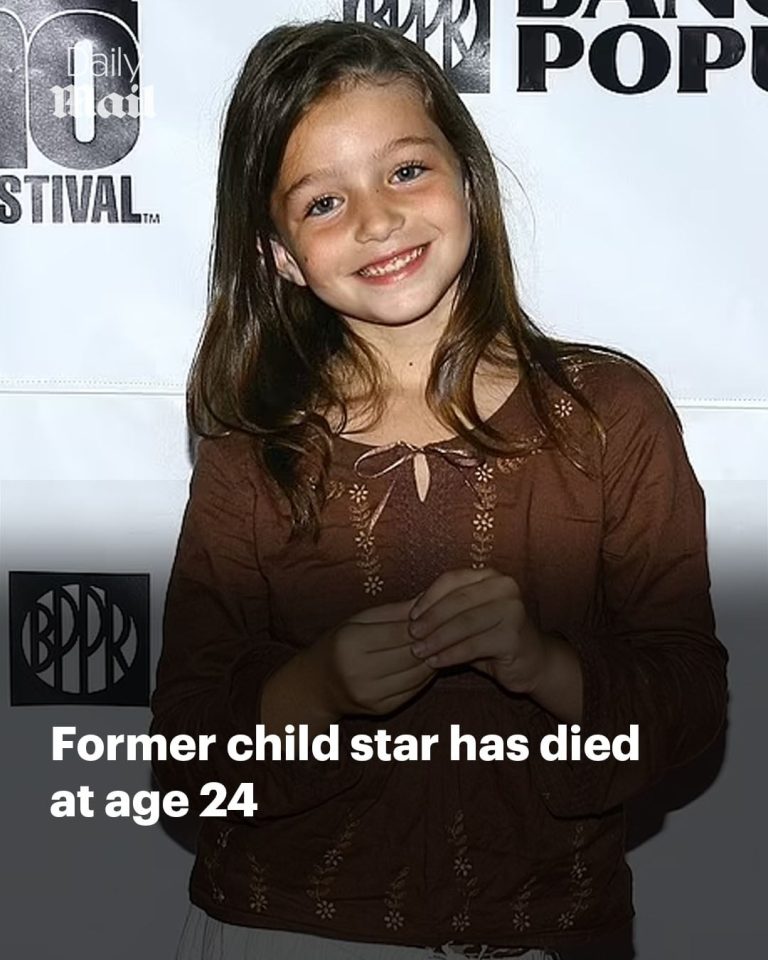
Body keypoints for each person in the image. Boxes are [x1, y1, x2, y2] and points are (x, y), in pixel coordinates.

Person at [149, 18, 728, 960]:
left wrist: (542, 665)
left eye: (406, 170)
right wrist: (317, 687)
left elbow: (688, 700)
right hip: (282, 926)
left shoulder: (610, 415)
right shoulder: (251, 449)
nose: (377, 221)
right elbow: (184, 751)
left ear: (468, 179)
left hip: (547, 928)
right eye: (323, 201)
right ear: (279, 253)